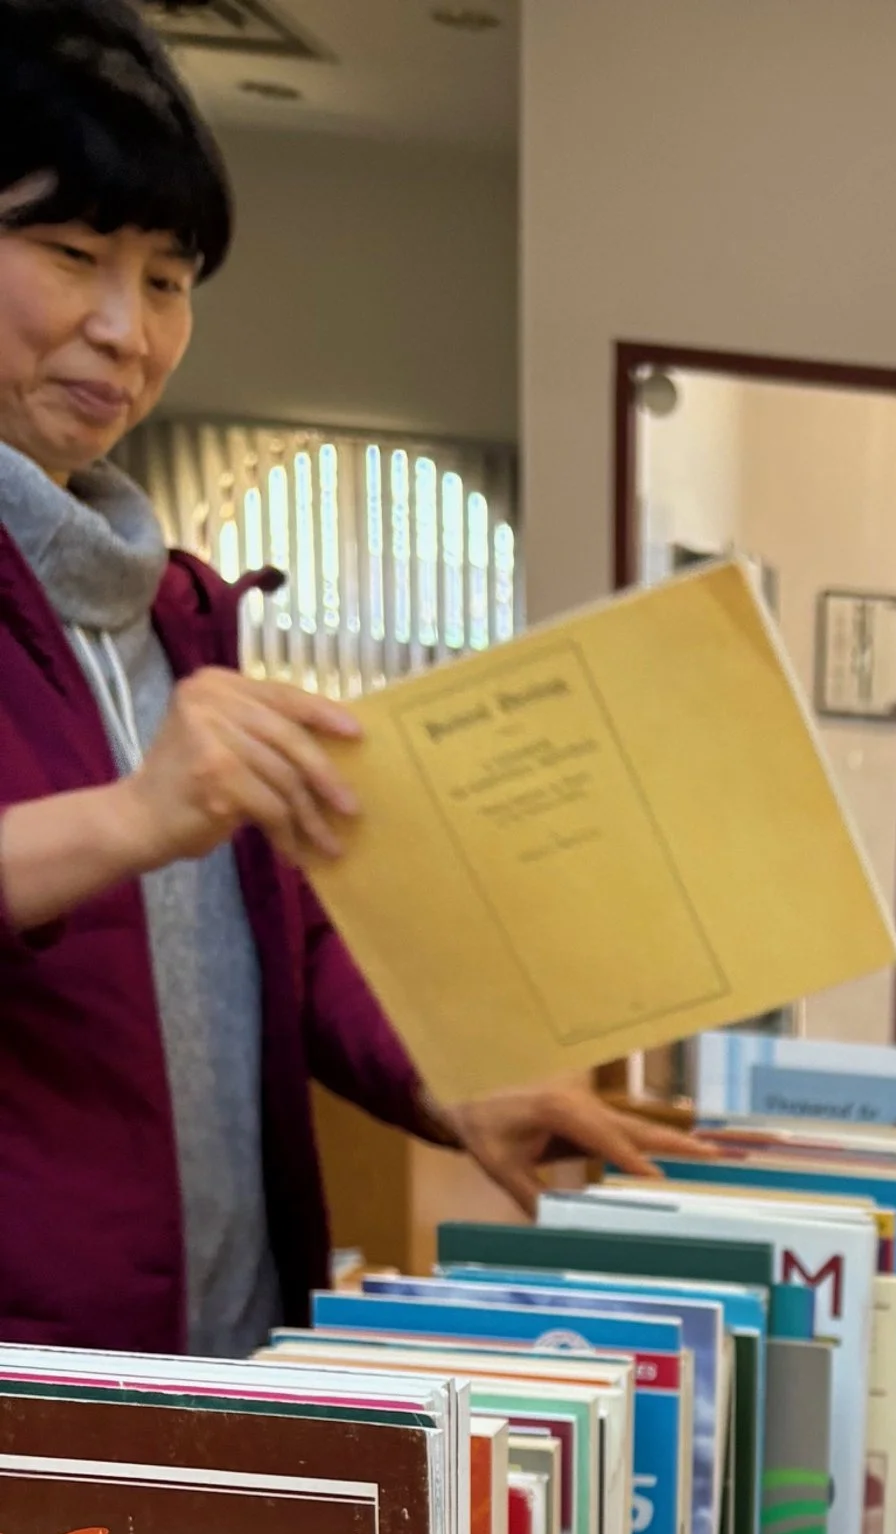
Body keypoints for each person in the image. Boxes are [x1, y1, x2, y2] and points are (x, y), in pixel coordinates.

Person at [0, 0, 671, 1358]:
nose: (126, 331)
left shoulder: (179, 612)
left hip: (225, 1347)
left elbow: (282, 938)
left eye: (172, 280)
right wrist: (128, 820)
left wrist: (454, 1089)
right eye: (73, 254)